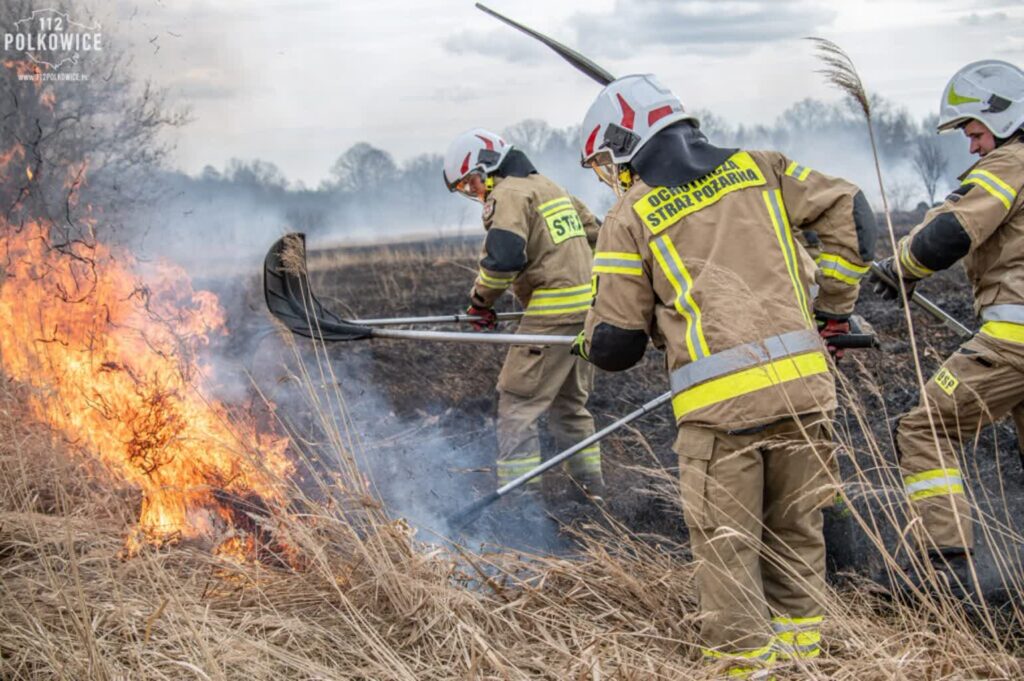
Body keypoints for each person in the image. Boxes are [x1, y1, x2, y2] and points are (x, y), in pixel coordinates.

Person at [570, 75, 876, 676]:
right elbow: (852, 208)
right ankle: (802, 663)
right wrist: (833, 306)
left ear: (626, 140)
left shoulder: (629, 216)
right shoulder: (762, 168)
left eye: (608, 158)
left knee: (729, 556)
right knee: (797, 535)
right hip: (805, 397)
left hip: (721, 418)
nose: (612, 173)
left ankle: (744, 669)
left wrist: (588, 339)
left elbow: (615, 346)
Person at [869, 59, 1024, 601]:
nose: (973, 146)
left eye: (974, 131)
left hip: (1014, 344)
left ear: (1003, 117)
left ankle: (947, 574)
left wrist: (899, 267)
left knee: (924, 430)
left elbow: (951, 232)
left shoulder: (1011, 163)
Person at [442, 128, 605, 502]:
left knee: (518, 407)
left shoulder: (509, 195)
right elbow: (597, 234)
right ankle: (590, 494)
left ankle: (521, 508)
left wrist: (480, 303)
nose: (475, 193)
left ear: (485, 168)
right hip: (585, 314)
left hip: (551, 316)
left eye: (470, 184)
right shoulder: (550, 188)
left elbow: (503, 259)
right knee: (570, 407)